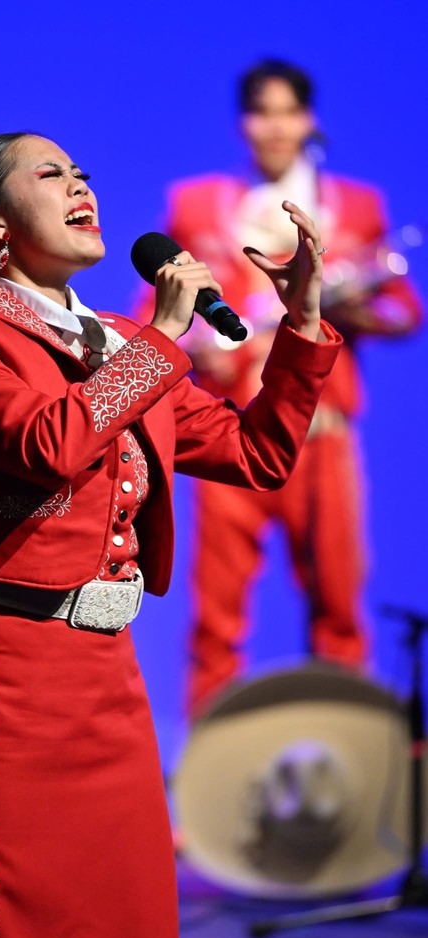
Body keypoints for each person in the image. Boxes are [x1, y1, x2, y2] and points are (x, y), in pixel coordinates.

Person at [0, 130, 340, 938]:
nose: (79, 187)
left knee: (123, 936)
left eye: (83, 174)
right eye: (51, 176)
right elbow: (46, 445)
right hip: (0, 674)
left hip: (105, 677)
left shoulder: (119, 341)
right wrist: (164, 337)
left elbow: (257, 455)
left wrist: (298, 324)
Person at [133, 58, 422, 719]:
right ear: (243, 123)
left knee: (338, 607)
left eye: (288, 111)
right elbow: (147, 300)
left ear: (309, 120)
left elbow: (404, 313)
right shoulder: (199, 204)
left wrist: (339, 307)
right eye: (261, 111)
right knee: (215, 614)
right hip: (227, 426)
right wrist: (180, 332)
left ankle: (345, 769)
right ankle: (210, 791)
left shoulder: (352, 206)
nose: (275, 126)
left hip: (319, 434)